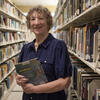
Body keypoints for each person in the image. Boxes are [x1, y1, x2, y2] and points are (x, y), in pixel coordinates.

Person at [16, 5, 72, 100]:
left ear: (48, 22)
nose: (36, 22)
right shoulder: (26, 48)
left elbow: (65, 82)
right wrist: (19, 80)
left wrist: (35, 89)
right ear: (29, 23)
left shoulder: (58, 46)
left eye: (41, 18)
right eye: (32, 19)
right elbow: (19, 73)